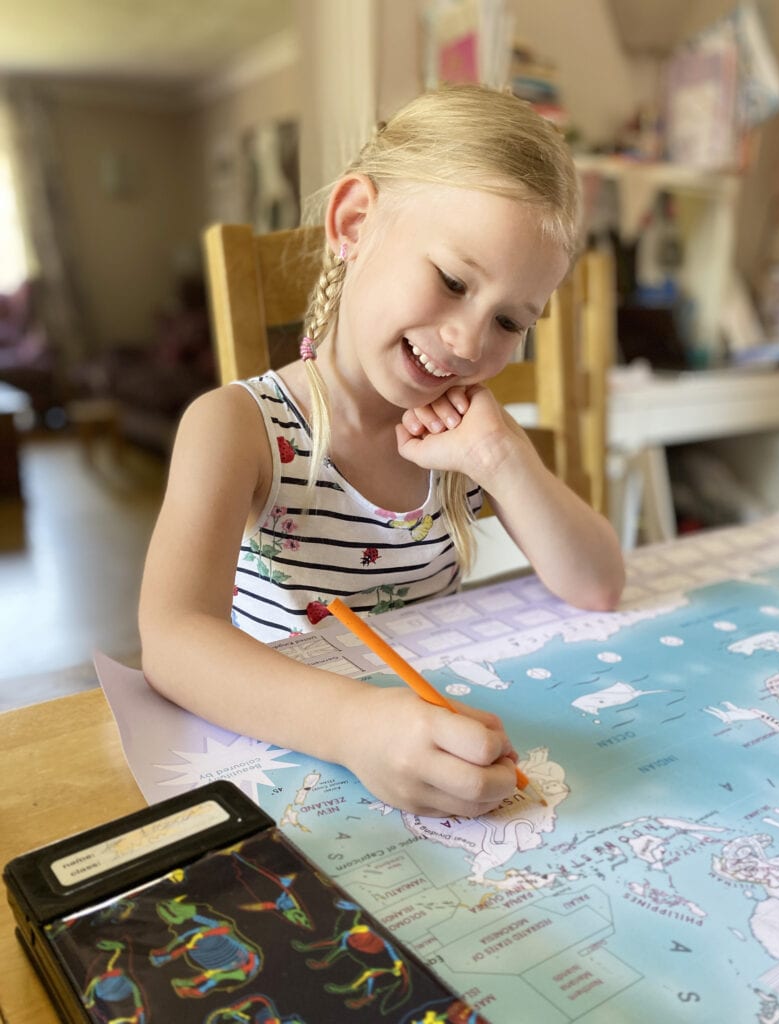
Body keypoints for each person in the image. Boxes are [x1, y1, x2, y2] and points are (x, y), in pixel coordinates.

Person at [139, 85, 625, 819]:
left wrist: (502, 459)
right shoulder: (238, 428)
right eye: (453, 281)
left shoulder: (462, 442)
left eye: (508, 320)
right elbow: (173, 640)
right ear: (355, 223)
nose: (467, 343)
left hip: (434, 765)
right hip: (291, 772)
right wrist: (353, 726)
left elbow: (598, 585)